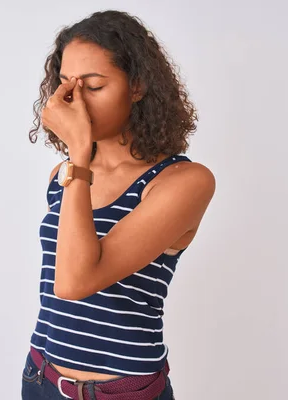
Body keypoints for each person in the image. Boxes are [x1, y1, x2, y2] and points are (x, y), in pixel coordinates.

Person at [22, 10, 215, 400]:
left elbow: (76, 282)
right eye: (64, 84)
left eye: (94, 86)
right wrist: (77, 162)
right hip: (41, 377)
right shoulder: (63, 176)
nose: (73, 100)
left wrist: (78, 157)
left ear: (138, 86)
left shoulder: (182, 182)